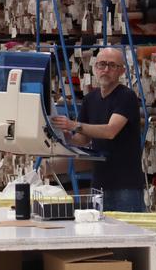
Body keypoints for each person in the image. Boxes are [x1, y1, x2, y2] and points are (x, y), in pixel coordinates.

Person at [50, 47, 145, 212]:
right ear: (95, 68)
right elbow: (82, 139)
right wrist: (63, 135)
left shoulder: (126, 97)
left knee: (129, 235)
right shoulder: (90, 99)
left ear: (122, 71)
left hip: (125, 184)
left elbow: (110, 131)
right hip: (100, 183)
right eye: (102, 64)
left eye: (112, 65)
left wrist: (73, 125)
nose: (106, 70)